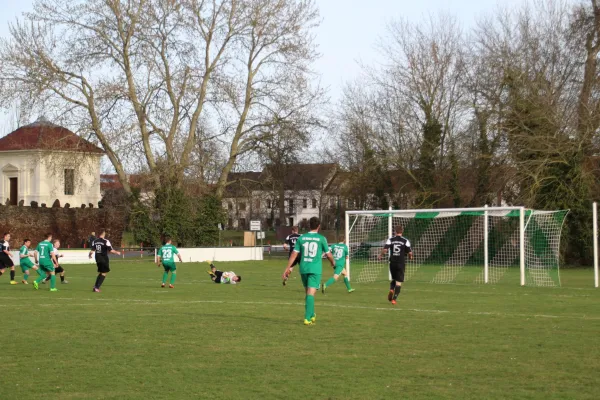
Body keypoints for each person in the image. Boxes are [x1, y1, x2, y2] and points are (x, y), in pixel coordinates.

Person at [282, 217, 334, 326]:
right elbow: (328, 254)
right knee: (311, 293)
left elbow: (294, 254)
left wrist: (287, 268)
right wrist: (333, 263)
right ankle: (307, 318)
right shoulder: (321, 238)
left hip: (304, 268)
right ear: (319, 226)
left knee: (308, 293)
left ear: (309, 225)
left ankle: (311, 314)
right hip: (315, 269)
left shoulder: (302, 238)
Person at [378, 225, 413, 305]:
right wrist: (410, 257)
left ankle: (391, 289)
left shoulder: (390, 240)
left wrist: (380, 255)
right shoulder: (405, 241)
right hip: (401, 263)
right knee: (398, 282)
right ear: (402, 231)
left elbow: (385, 250)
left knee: (394, 279)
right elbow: (410, 252)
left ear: (395, 231)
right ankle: (394, 299)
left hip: (392, 263)